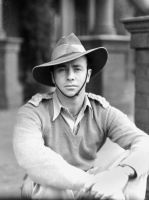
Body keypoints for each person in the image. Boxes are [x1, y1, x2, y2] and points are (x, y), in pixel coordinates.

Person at [13, 33, 149, 200]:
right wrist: (94, 183)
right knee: (48, 182)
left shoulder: (101, 110)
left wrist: (120, 174)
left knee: (135, 163)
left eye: (77, 69)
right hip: (50, 187)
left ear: (88, 75)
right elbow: (32, 157)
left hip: (88, 183)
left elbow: (144, 142)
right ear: (53, 77)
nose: (70, 76)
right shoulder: (32, 112)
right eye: (62, 69)